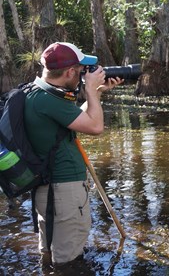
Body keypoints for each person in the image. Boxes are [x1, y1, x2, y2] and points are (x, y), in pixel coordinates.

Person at [23, 42, 123, 267]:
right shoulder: (49, 100)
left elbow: (74, 119)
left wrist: (95, 93)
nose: (83, 74)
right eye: (80, 70)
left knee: (50, 253)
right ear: (69, 72)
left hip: (48, 189)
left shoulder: (37, 93)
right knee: (68, 261)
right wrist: (91, 92)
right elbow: (95, 127)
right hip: (64, 192)